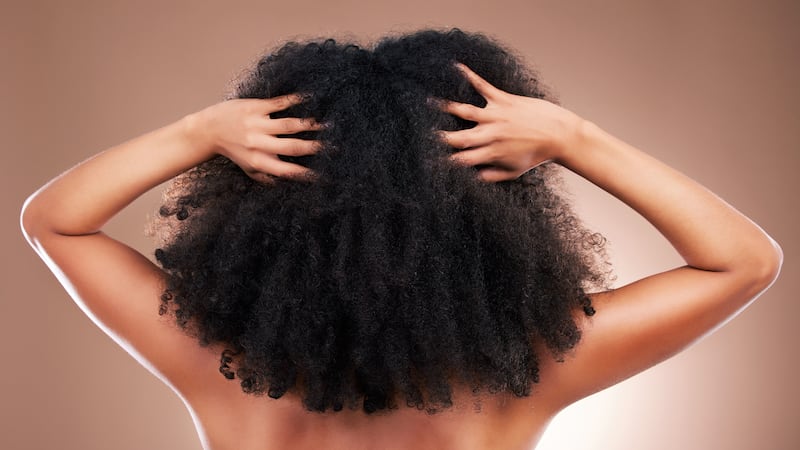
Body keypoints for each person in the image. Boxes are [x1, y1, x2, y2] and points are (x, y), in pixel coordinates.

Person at [20, 29, 781, 450]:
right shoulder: (534, 367)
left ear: (265, 216)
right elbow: (743, 262)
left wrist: (199, 132)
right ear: (486, 223)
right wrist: (575, 138)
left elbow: (54, 218)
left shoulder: (215, 359)